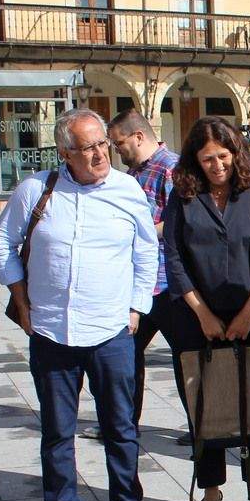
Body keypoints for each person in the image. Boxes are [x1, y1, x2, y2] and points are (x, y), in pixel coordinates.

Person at [0, 108, 161, 501]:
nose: (100, 153)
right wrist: (21, 299)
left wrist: (136, 309)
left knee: (120, 425)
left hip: (111, 331)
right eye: (87, 148)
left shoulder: (127, 190)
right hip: (52, 330)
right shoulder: (36, 190)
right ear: (65, 152)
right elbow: (2, 242)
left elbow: (147, 251)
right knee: (57, 427)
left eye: (103, 143)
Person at [162, 117, 250, 501]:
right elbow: (174, 258)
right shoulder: (183, 194)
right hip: (199, 317)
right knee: (204, 404)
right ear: (194, 161)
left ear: (236, 152)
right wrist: (203, 313)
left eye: (223, 156)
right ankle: (211, 494)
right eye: (207, 158)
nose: (217, 165)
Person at [77, 110, 183, 443]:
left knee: (186, 361)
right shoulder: (129, 174)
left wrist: (142, 231)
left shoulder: (172, 168)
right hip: (133, 287)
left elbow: (184, 221)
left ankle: (201, 432)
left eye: (118, 143)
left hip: (167, 284)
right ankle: (123, 425)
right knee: (125, 360)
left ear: (138, 136)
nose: (114, 151)